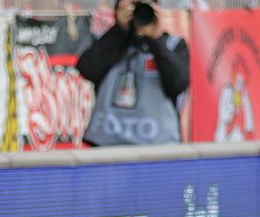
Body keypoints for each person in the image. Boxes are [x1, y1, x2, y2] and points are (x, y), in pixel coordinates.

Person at [77, 0, 189, 146]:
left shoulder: (172, 44)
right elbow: (87, 70)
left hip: (157, 145)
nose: (138, 12)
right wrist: (119, 30)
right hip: (107, 144)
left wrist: (155, 39)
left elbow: (178, 84)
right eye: (132, 6)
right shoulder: (108, 42)